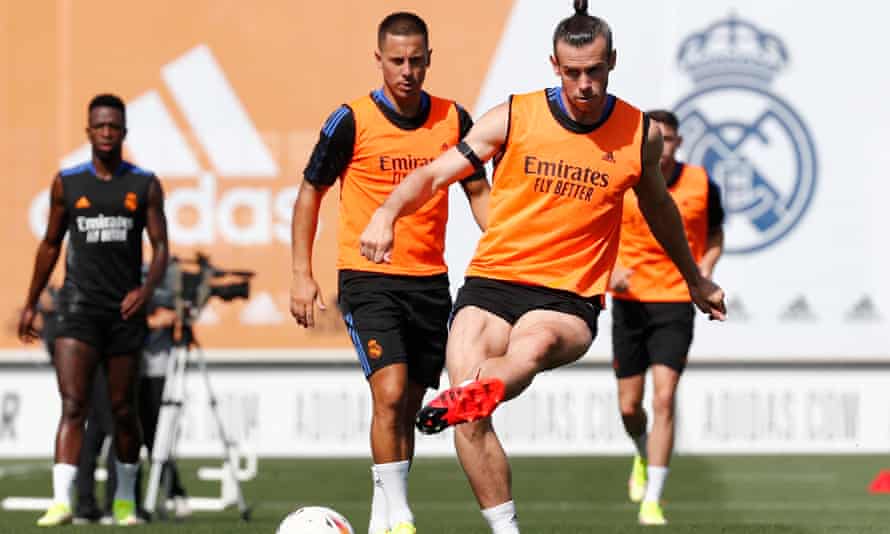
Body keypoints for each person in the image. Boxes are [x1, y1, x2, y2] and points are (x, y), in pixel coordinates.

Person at [358, 2, 726, 532]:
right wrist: (388, 212)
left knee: (531, 347)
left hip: (566, 298)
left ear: (612, 62)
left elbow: (660, 209)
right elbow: (435, 174)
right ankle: (503, 520)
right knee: (473, 419)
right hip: (492, 283)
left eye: (594, 71)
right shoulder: (514, 116)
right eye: (572, 72)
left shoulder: (637, 133)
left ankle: (469, 395)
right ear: (554, 65)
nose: (584, 84)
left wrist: (696, 280)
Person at [290, 12, 489, 534]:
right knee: (392, 392)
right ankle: (401, 515)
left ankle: (383, 519)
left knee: (407, 408)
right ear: (378, 59)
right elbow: (311, 191)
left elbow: (478, 193)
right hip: (368, 277)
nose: (407, 71)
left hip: (429, 282)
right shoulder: (351, 120)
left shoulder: (454, 120)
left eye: (416, 61)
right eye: (397, 61)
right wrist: (300, 274)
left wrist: (510, 247)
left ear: (429, 60)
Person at [18, 93, 169, 527]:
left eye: (114, 127)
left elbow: (160, 248)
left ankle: (124, 499)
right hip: (77, 309)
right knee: (73, 404)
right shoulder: (68, 183)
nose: (106, 134)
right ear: (88, 131)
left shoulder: (144, 184)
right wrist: (31, 304)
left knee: (123, 410)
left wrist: (147, 289)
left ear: (124, 132)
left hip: (123, 312)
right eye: (99, 126)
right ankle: (61, 502)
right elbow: (49, 245)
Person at [609, 109, 724, 525]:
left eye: (671, 139)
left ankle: (653, 500)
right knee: (628, 407)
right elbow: (593, 232)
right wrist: (610, 270)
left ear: (677, 142)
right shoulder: (623, 181)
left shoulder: (700, 183)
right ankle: (641, 455)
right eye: (657, 138)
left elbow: (714, 233)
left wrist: (705, 270)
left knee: (663, 397)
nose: (664, 146)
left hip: (676, 299)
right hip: (630, 299)